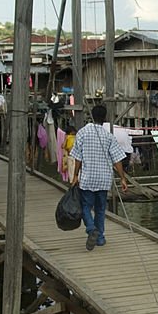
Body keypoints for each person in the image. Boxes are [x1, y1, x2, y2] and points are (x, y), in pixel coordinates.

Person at [69, 105, 129, 251]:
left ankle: (91, 229)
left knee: (85, 207)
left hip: (88, 179)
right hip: (104, 179)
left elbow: (77, 158)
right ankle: (100, 238)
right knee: (101, 209)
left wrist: (75, 175)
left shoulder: (82, 133)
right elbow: (117, 160)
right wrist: (122, 178)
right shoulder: (108, 136)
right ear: (105, 118)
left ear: (91, 117)